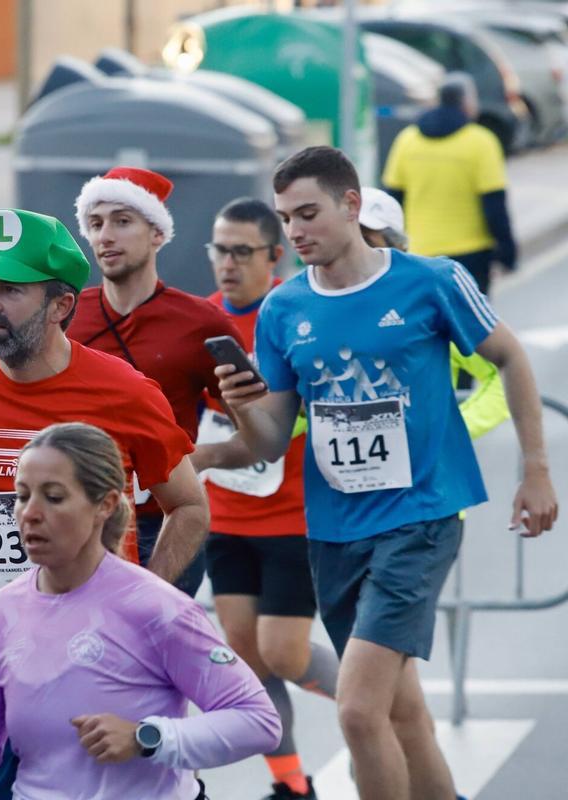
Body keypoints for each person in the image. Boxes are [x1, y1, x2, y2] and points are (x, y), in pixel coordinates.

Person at [204, 146, 557, 800]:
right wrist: (239, 412)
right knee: (399, 711)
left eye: (308, 213)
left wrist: (536, 469)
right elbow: (272, 438)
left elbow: (509, 357)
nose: (296, 230)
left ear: (351, 204)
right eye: (286, 217)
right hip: (334, 530)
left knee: (358, 710)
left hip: (421, 517)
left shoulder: (432, 281)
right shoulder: (283, 309)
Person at [0, 207, 207, 799]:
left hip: (102, 663)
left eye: (12, 290)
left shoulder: (123, 391)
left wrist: (145, 598)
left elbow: (189, 505)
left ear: (61, 305)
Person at [0, 422, 281, 799]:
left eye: (53, 497)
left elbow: (259, 721)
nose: (30, 513)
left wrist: (147, 737)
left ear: (104, 504)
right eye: (22, 495)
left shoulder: (156, 608)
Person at [192, 198, 340, 800]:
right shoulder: (200, 320)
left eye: (241, 251)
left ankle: (383, 704)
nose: (227, 263)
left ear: (273, 255)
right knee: (249, 658)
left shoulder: (293, 312)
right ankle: (292, 784)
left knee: (284, 651)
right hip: (226, 515)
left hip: (292, 514)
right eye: (219, 250)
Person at [68, 166, 241, 596]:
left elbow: (256, 428)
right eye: (95, 224)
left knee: (152, 635)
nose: (106, 236)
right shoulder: (65, 315)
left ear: (157, 234)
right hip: (77, 520)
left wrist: (201, 458)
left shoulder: (202, 322)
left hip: (167, 519)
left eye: (122, 221)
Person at [359, 186, 511, 431]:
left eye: (365, 240)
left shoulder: (429, 304)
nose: (354, 252)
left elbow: (503, 375)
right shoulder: (315, 307)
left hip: (429, 459)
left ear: (398, 247)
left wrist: (452, 431)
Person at [382, 72, 517, 296]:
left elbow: (393, 199)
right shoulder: (481, 142)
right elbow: (494, 204)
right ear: (467, 102)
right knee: (471, 316)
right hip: (471, 254)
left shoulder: (407, 140)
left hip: (420, 252)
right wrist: (507, 252)